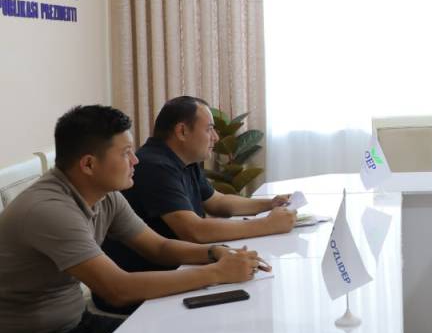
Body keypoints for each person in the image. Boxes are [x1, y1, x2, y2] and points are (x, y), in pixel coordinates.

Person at [0, 105, 269, 333]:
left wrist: (215, 253)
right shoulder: (49, 210)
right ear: (88, 164)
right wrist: (217, 272)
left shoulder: (107, 196)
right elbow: (117, 289)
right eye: (126, 153)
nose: (135, 160)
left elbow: (159, 247)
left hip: (75, 326)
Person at [97, 96, 296, 313]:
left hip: (178, 268)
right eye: (209, 129)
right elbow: (194, 231)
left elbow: (217, 201)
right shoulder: (153, 166)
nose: (216, 137)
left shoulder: (184, 161)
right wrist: (266, 225)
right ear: (182, 131)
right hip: (150, 282)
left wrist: (270, 204)